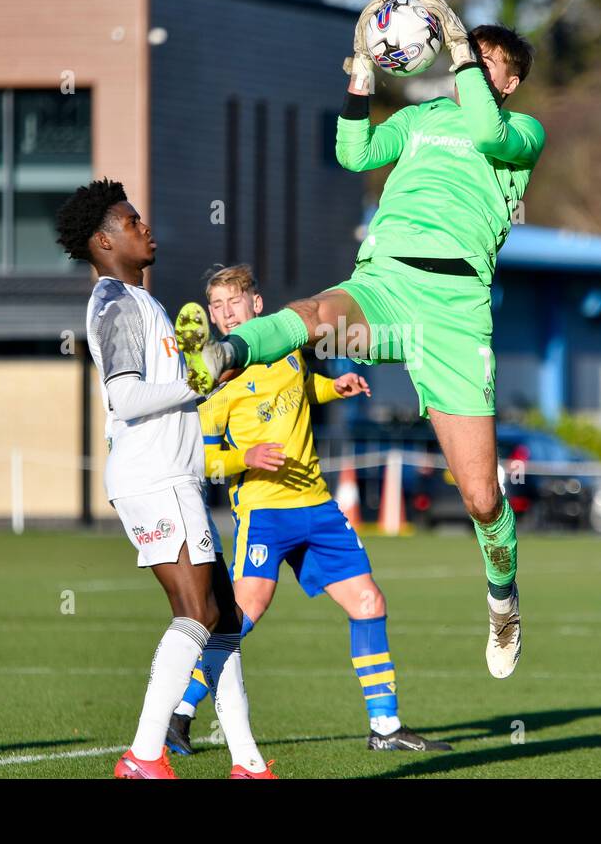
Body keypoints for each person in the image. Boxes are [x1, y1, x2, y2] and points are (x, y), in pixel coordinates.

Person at [175, 0, 545, 679]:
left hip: (455, 308)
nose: (477, 66)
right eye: (474, 54)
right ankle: (224, 351)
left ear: (510, 81)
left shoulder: (521, 132)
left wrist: (459, 42)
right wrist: (358, 78)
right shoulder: (422, 114)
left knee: (481, 497)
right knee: (314, 315)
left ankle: (503, 599)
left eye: (490, 61)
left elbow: (490, 133)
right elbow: (354, 152)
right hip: (387, 282)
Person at [166, 264, 451, 754]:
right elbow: (200, 458)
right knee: (244, 611)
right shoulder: (215, 383)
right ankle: (180, 713)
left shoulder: (288, 349)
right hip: (264, 512)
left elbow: (301, 386)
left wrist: (333, 388)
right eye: (216, 306)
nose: (224, 313)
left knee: (369, 604)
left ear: (257, 306)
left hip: (318, 507)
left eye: (233, 301)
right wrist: (245, 457)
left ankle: (385, 727)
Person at [55, 178, 275, 779]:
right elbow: (124, 398)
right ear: (103, 240)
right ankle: (145, 755)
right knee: (199, 615)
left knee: (223, 617)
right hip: (154, 479)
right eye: (131, 221)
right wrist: (201, 378)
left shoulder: (142, 300)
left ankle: (248, 764)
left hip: (174, 477)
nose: (144, 227)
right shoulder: (115, 303)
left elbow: (170, 398)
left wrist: (198, 377)